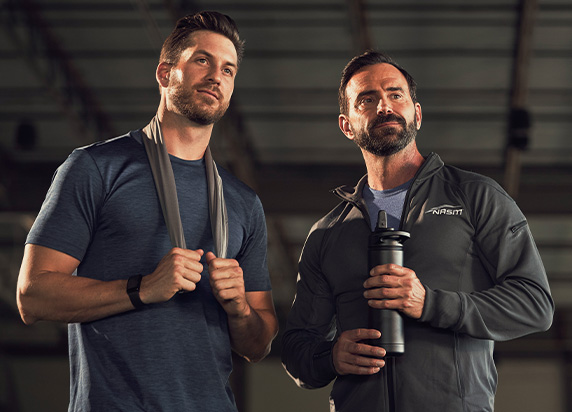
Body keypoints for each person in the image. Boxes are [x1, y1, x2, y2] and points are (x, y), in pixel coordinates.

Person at [17, 11, 278, 412]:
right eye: (201, 60)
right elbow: (31, 296)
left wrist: (240, 309)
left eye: (228, 69)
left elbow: (258, 345)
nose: (216, 76)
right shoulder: (96, 168)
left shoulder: (243, 202)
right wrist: (142, 288)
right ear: (164, 73)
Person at [281, 50, 554, 412]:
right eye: (367, 99)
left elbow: (534, 304)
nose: (384, 106)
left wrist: (431, 303)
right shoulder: (327, 233)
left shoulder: (474, 196)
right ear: (347, 125)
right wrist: (331, 356)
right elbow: (298, 348)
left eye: (395, 94)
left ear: (417, 114)